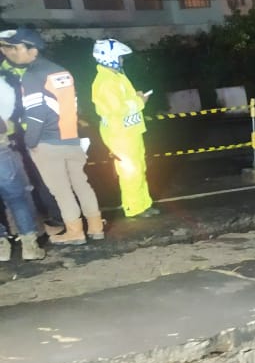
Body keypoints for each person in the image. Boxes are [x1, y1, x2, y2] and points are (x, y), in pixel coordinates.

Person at [0, 28, 101, 245]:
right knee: (82, 185)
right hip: (71, 139)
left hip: (47, 142)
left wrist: (30, 142)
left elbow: (36, 116)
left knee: (61, 190)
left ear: (31, 49)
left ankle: (75, 232)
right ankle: (95, 226)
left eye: (14, 48)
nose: (9, 53)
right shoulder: (60, 71)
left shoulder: (32, 76)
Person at [0, 29, 64, 236]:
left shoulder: (40, 67)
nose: (7, 51)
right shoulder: (6, 74)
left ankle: (59, 219)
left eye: (11, 47)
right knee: (26, 184)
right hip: (17, 136)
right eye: (5, 48)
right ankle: (36, 228)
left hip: (46, 131)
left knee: (49, 178)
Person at [91, 38, 157, 219]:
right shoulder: (106, 82)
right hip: (120, 135)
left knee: (139, 169)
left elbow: (123, 101)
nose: (122, 61)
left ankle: (143, 204)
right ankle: (134, 208)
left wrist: (135, 97)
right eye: (120, 57)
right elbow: (117, 109)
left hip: (130, 132)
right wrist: (139, 101)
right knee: (130, 172)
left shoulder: (116, 77)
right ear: (110, 57)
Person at [0, 66, 44, 261]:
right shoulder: (3, 86)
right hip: (1, 150)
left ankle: (2, 249)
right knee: (17, 198)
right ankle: (29, 247)